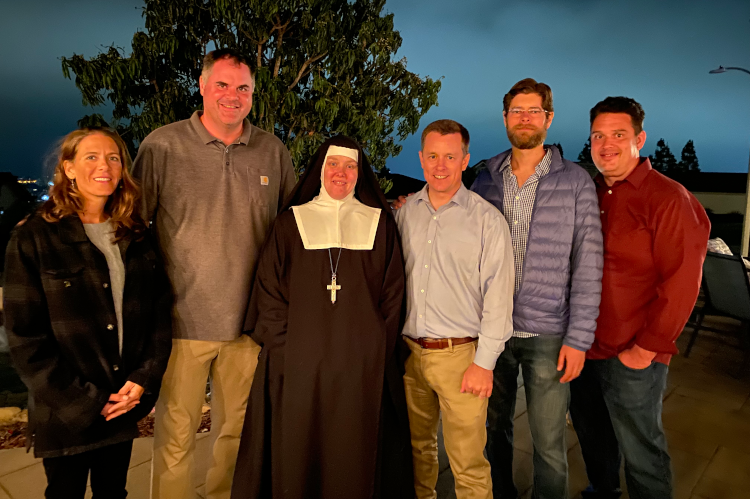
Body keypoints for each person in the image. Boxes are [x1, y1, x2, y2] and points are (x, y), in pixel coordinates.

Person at [132, 48, 296, 499]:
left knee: (238, 432)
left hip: (248, 323)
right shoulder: (162, 145)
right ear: (202, 87)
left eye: (243, 87)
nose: (232, 96)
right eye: (222, 85)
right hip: (181, 320)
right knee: (175, 433)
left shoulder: (272, 151)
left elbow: (292, 230)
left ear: (253, 95)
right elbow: (133, 230)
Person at [230, 136, 414, 499]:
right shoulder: (290, 223)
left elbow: (394, 296)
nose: (341, 173)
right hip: (300, 365)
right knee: (299, 452)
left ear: (359, 174)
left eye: (350, 166)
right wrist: (290, 349)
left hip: (360, 367)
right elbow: (269, 292)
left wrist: (374, 349)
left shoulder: (380, 224)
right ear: (320, 170)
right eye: (334, 165)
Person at [4, 128, 172, 499]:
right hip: (66, 410)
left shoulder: (134, 234)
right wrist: (86, 402)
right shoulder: (34, 238)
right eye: (91, 157)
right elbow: (25, 340)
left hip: (122, 401)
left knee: (114, 492)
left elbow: (158, 313)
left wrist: (143, 379)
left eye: (113, 158)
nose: (105, 166)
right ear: (69, 169)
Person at [569, 97, 710, 499]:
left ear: (639, 139)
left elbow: (682, 283)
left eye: (618, 134)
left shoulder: (668, 198)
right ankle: (603, 490)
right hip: (584, 347)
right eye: (598, 135)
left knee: (641, 449)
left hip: (632, 352)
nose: (606, 144)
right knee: (594, 437)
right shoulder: (590, 193)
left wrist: (646, 348)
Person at [471, 78, 603, 499]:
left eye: (533, 111)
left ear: (548, 118)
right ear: (505, 118)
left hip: (548, 333)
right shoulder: (486, 180)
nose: (524, 119)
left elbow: (589, 263)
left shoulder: (576, 181)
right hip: (493, 332)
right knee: (495, 432)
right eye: (517, 111)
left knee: (549, 445)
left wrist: (579, 339)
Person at [396, 119, 514, 499]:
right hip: (410, 355)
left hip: (461, 357)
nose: (440, 165)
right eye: (432, 155)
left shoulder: (487, 221)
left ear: (465, 160)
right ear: (420, 159)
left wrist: (485, 363)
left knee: (467, 461)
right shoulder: (404, 214)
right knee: (417, 452)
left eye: (450, 156)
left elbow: (499, 296)